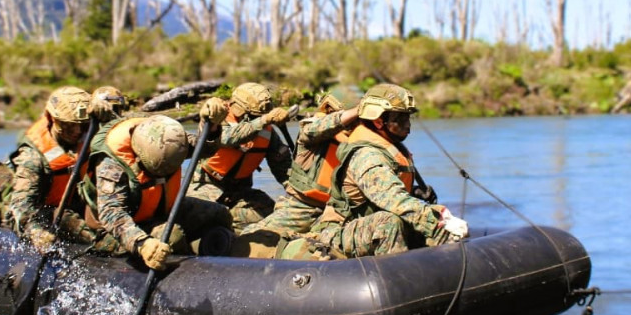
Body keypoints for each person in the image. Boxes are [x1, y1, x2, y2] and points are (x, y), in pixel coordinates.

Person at [310, 83, 467, 257]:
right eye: (400, 119)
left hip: (366, 223)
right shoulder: (366, 156)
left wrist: (427, 204)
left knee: (433, 212)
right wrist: (436, 222)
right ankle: (399, 276)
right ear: (378, 122)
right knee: (389, 223)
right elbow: (393, 199)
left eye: (408, 118)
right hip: (341, 230)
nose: (407, 125)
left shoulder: (388, 147)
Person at [86, 99, 233, 270]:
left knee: (220, 214)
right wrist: (143, 244)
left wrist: (211, 126)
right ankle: (183, 273)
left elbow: (204, 148)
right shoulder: (112, 164)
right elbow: (111, 214)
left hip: (161, 209)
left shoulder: (170, 140)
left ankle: (212, 253)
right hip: (119, 230)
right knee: (172, 237)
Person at [0, 86, 115, 253]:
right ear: (52, 119)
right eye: (69, 126)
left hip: (80, 202)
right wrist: (36, 233)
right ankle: (100, 243)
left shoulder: (91, 132)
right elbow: (19, 208)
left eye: (83, 126)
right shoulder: (32, 157)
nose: (76, 132)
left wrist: (109, 118)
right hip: (47, 211)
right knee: (65, 220)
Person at [246, 90, 359, 237]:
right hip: (300, 207)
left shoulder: (361, 138)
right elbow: (318, 128)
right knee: (250, 237)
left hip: (336, 210)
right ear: (329, 109)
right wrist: (355, 112)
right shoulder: (310, 129)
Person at [189, 82, 293, 229]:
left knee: (271, 212)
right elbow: (227, 138)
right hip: (207, 185)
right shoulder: (217, 122)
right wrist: (264, 120)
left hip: (240, 191)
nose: (255, 119)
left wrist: (297, 196)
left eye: (258, 116)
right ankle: (222, 224)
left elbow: (283, 168)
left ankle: (234, 229)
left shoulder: (267, 132)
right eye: (251, 116)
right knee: (205, 215)